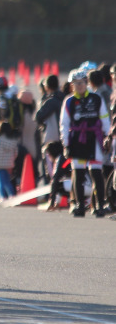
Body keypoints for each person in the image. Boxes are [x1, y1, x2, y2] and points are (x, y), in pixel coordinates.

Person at [60, 68, 110, 217]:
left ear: (86, 83)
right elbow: (64, 124)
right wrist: (66, 143)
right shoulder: (69, 101)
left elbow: (104, 118)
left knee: (96, 173)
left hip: (94, 138)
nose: (79, 86)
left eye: (81, 83)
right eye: (75, 83)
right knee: (79, 173)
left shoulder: (96, 98)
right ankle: (79, 205)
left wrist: (107, 136)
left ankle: (99, 205)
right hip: (77, 140)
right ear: (71, 85)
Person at [36, 74, 65, 182]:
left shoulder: (50, 101)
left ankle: (49, 190)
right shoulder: (64, 98)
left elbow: (38, 116)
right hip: (63, 137)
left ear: (47, 87)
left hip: (51, 138)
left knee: (49, 167)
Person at [0, 122, 19, 201]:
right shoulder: (13, 140)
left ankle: (3, 197)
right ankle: (12, 195)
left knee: (1, 182)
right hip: (9, 164)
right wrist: (12, 160)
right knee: (7, 181)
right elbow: (16, 153)